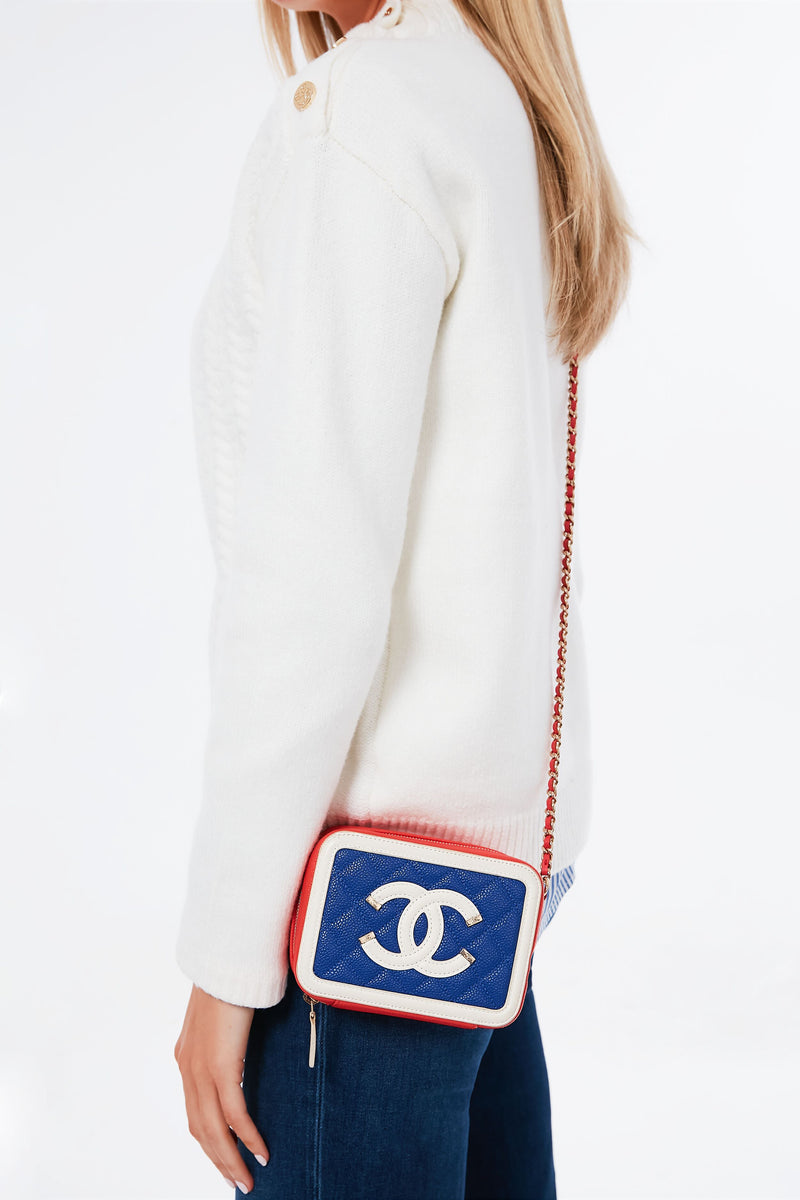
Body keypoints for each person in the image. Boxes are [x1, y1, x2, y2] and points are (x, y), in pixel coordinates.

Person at [172, 0, 637, 1194]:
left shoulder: (369, 113)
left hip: (366, 904)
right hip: (488, 880)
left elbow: (310, 581)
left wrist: (225, 957)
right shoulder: (500, 100)